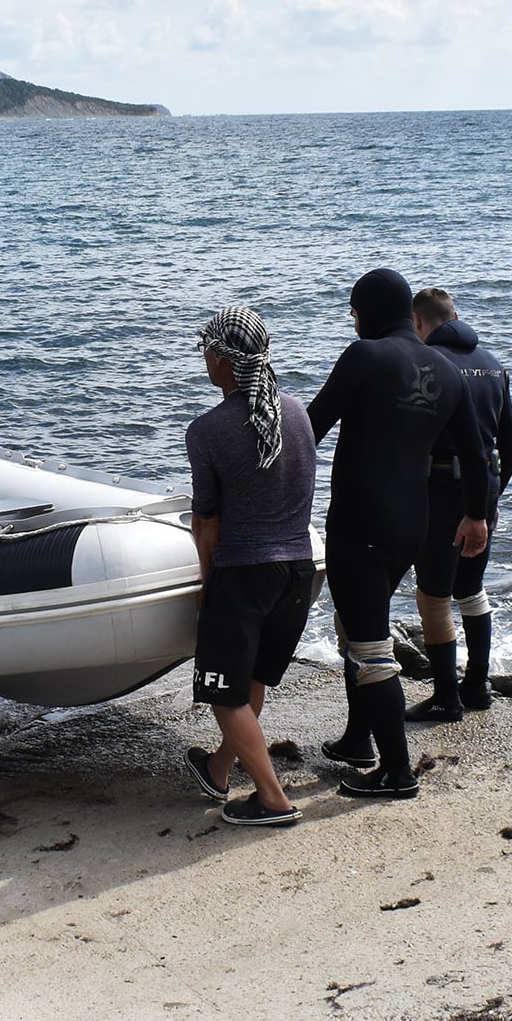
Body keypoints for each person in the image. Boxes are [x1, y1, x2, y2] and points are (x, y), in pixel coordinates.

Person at [306, 269, 490, 799]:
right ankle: (358, 739)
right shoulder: (448, 371)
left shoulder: (364, 357)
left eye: (353, 312)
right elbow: (476, 456)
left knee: (368, 644)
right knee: (357, 624)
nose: (353, 321)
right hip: (415, 525)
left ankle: (395, 772)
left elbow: (310, 430)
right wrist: (476, 516)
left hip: (360, 524)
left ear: (366, 312)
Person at [181, 306, 320, 828]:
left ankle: (272, 799)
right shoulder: (300, 414)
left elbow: (208, 524)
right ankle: (219, 768)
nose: (204, 360)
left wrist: (205, 584)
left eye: (206, 351)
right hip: (298, 571)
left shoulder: (208, 431)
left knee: (222, 692)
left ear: (221, 360)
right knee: (250, 678)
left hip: (245, 573)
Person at [405, 286, 512, 719]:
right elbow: (511, 442)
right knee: (471, 589)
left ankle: (445, 698)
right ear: (454, 314)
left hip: (440, 491)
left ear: (418, 322)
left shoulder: (430, 365)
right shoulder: (493, 365)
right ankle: (477, 685)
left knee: (433, 596)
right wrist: (489, 498)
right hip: (483, 493)